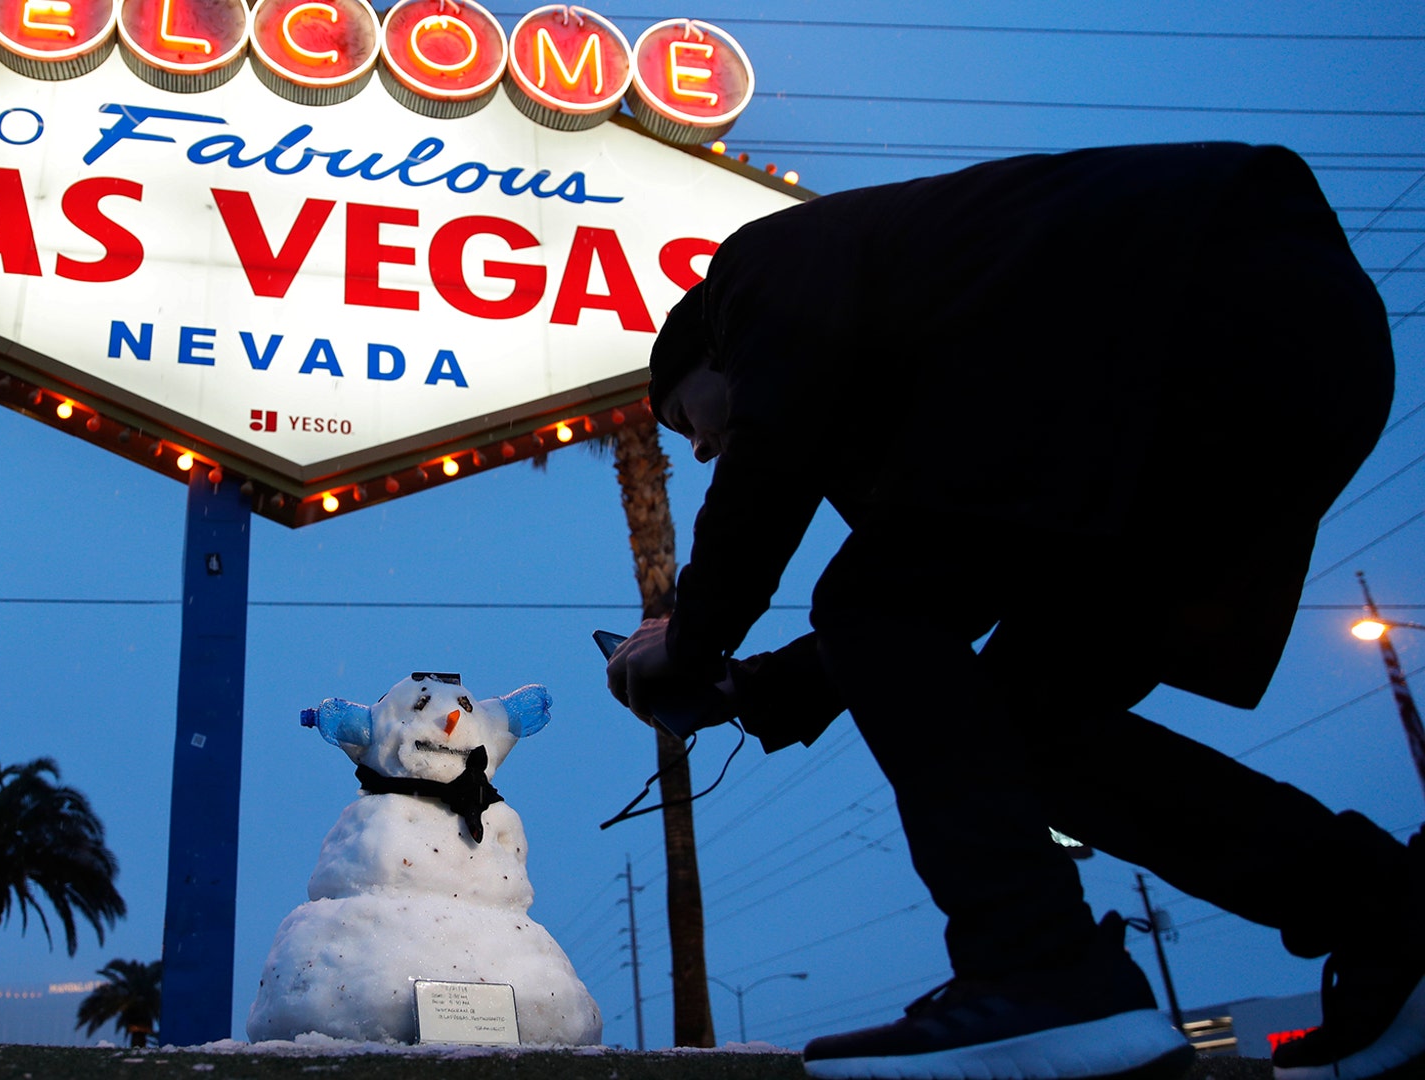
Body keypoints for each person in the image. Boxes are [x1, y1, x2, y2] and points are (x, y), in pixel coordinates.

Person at [604, 142, 1423, 1080]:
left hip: (1190, 304)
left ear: (706, 352)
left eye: (686, 422)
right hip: (1288, 359)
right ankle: (1390, 916)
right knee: (1028, 716)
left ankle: (1039, 970)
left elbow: (785, 470)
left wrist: (693, 636)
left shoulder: (754, 269)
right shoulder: (955, 356)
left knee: (873, 597)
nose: (701, 449)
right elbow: (938, 600)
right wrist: (755, 681)